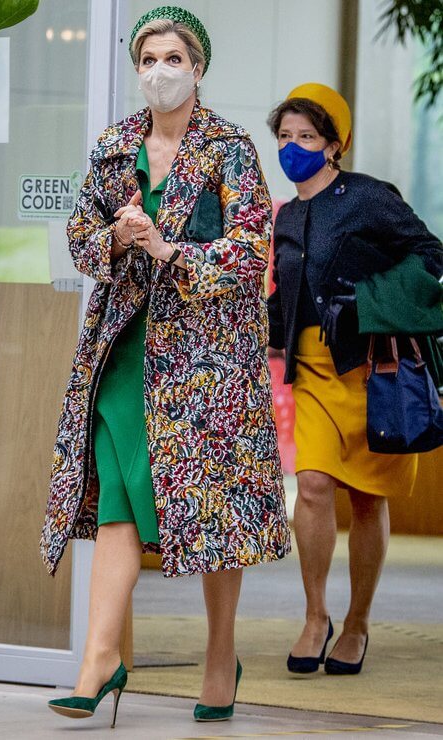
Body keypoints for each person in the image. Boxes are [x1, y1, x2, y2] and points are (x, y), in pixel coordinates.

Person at [41, 6, 290, 726]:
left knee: (212, 508)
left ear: (197, 67)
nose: (159, 72)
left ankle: (220, 655)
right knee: (118, 497)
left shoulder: (229, 148)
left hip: (205, 366)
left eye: (173, 59)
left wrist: (166, 249)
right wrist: (117, 239)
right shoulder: (115, 145)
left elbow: (251, 250)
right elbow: (80, 234)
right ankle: (98, 658)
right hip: (123, 351)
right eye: (147, 60)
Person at [267, 83, 442, 676]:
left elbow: (430, 255)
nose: (293, 147)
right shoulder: (288, 216)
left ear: (335, 144)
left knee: (368, 498)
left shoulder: (368, 197)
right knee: (313, 485)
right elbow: (285, 294)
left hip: (373, 369)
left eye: (307, 136)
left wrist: (369, 302)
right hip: (314, 372)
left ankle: (358, 623)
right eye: (285, 136)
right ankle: (315, 615)